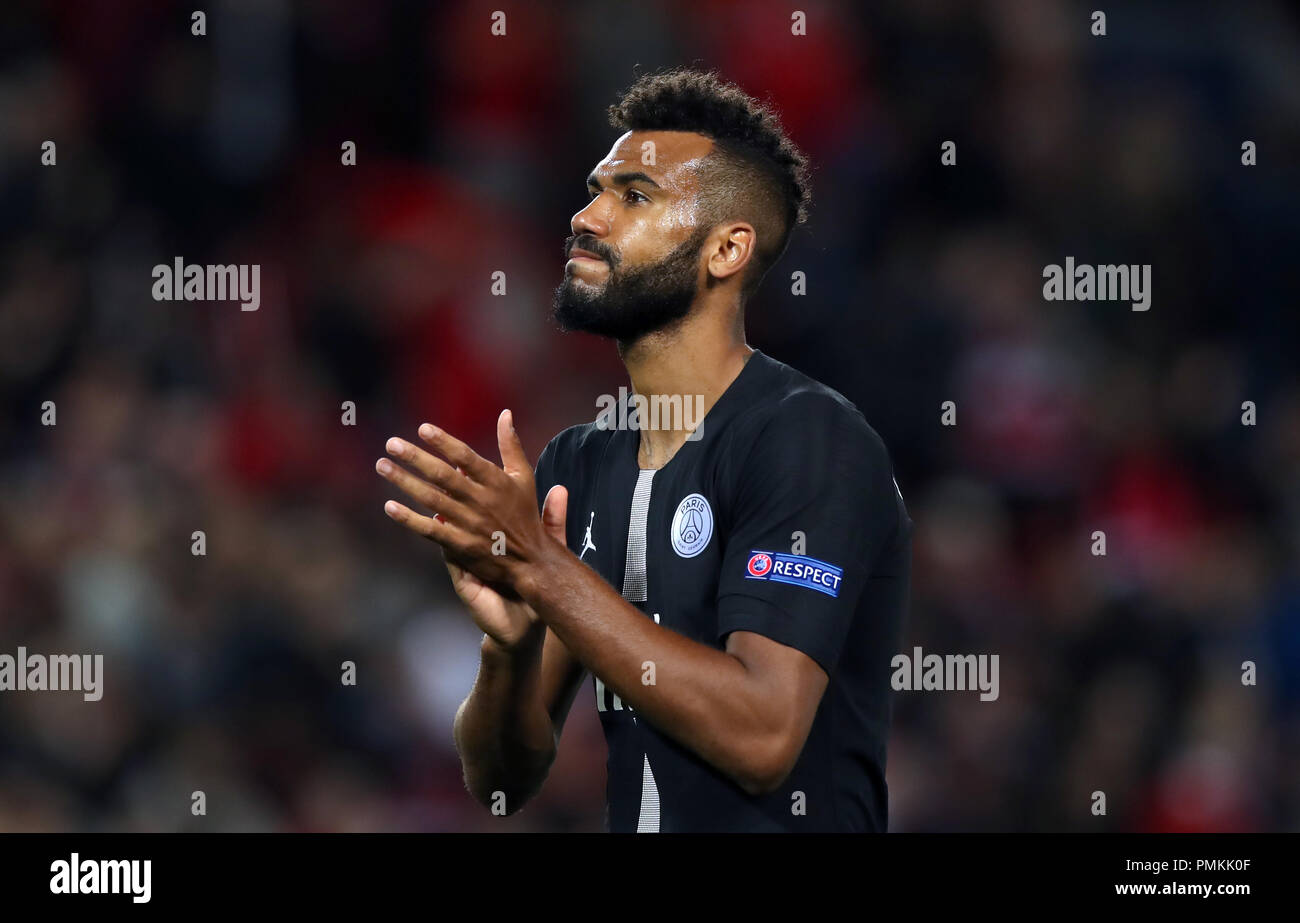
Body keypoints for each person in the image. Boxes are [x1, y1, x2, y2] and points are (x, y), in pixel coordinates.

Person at [376, 69, 911, 832]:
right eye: (595, 189)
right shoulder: (576, 464)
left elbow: (763, 734)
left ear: (725, 250)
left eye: (633, 196)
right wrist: (509, 652)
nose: (585, 216)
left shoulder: (808, 439)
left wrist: (542, 565)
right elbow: (502, 779)